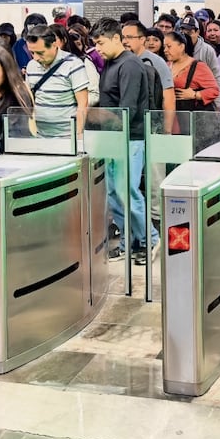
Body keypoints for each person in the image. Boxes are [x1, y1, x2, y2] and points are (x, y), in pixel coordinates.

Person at [90, 18, 158, 266]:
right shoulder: (109, 64)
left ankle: (150, 238)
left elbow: (126, 110)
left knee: (126, 190)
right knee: (112, 193)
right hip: (112, 137)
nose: (97, 48)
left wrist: (96, 116)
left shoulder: (130, 65)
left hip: (130, 138)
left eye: (100, 43)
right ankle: (130, 240)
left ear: (116, 38)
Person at [25, 24, 89, 138]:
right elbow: (31, 100)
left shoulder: (74, 64)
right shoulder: (31, 66)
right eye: (32, 53)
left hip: (68, 136)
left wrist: (78, 136)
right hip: (40, 136)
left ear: (54, 45)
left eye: (40, 52)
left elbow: (83, 104)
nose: (36, 58)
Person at [122, 20, 176, 134]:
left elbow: (169, 97)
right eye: (123, 37)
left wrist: (167, 131)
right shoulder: (121, 61)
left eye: (129, 37)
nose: (125, 41)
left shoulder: (156, 62)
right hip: (127, 128)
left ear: (142, 39)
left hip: (150, 126)